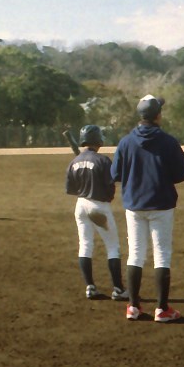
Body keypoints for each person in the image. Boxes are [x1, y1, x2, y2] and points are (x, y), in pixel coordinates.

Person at [112, 95, 184, 322]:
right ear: (157, 115)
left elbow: (115, 174)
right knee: (162, 255)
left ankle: (133, 307)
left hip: (134, 205)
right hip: (162, 204)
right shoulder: (168, 141)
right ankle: (162, 309)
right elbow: (181, 174)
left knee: (135, 253)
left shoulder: (125, 142)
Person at [65, 125, 128, 301]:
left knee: (85, 244)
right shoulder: (103, 160)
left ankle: (90, 287)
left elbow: (71, 188)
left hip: (81, 205)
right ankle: (118, 289)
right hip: (99, 205)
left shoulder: (74, 162)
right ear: (98, 140)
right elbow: (111, 185)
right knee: (113, 246)